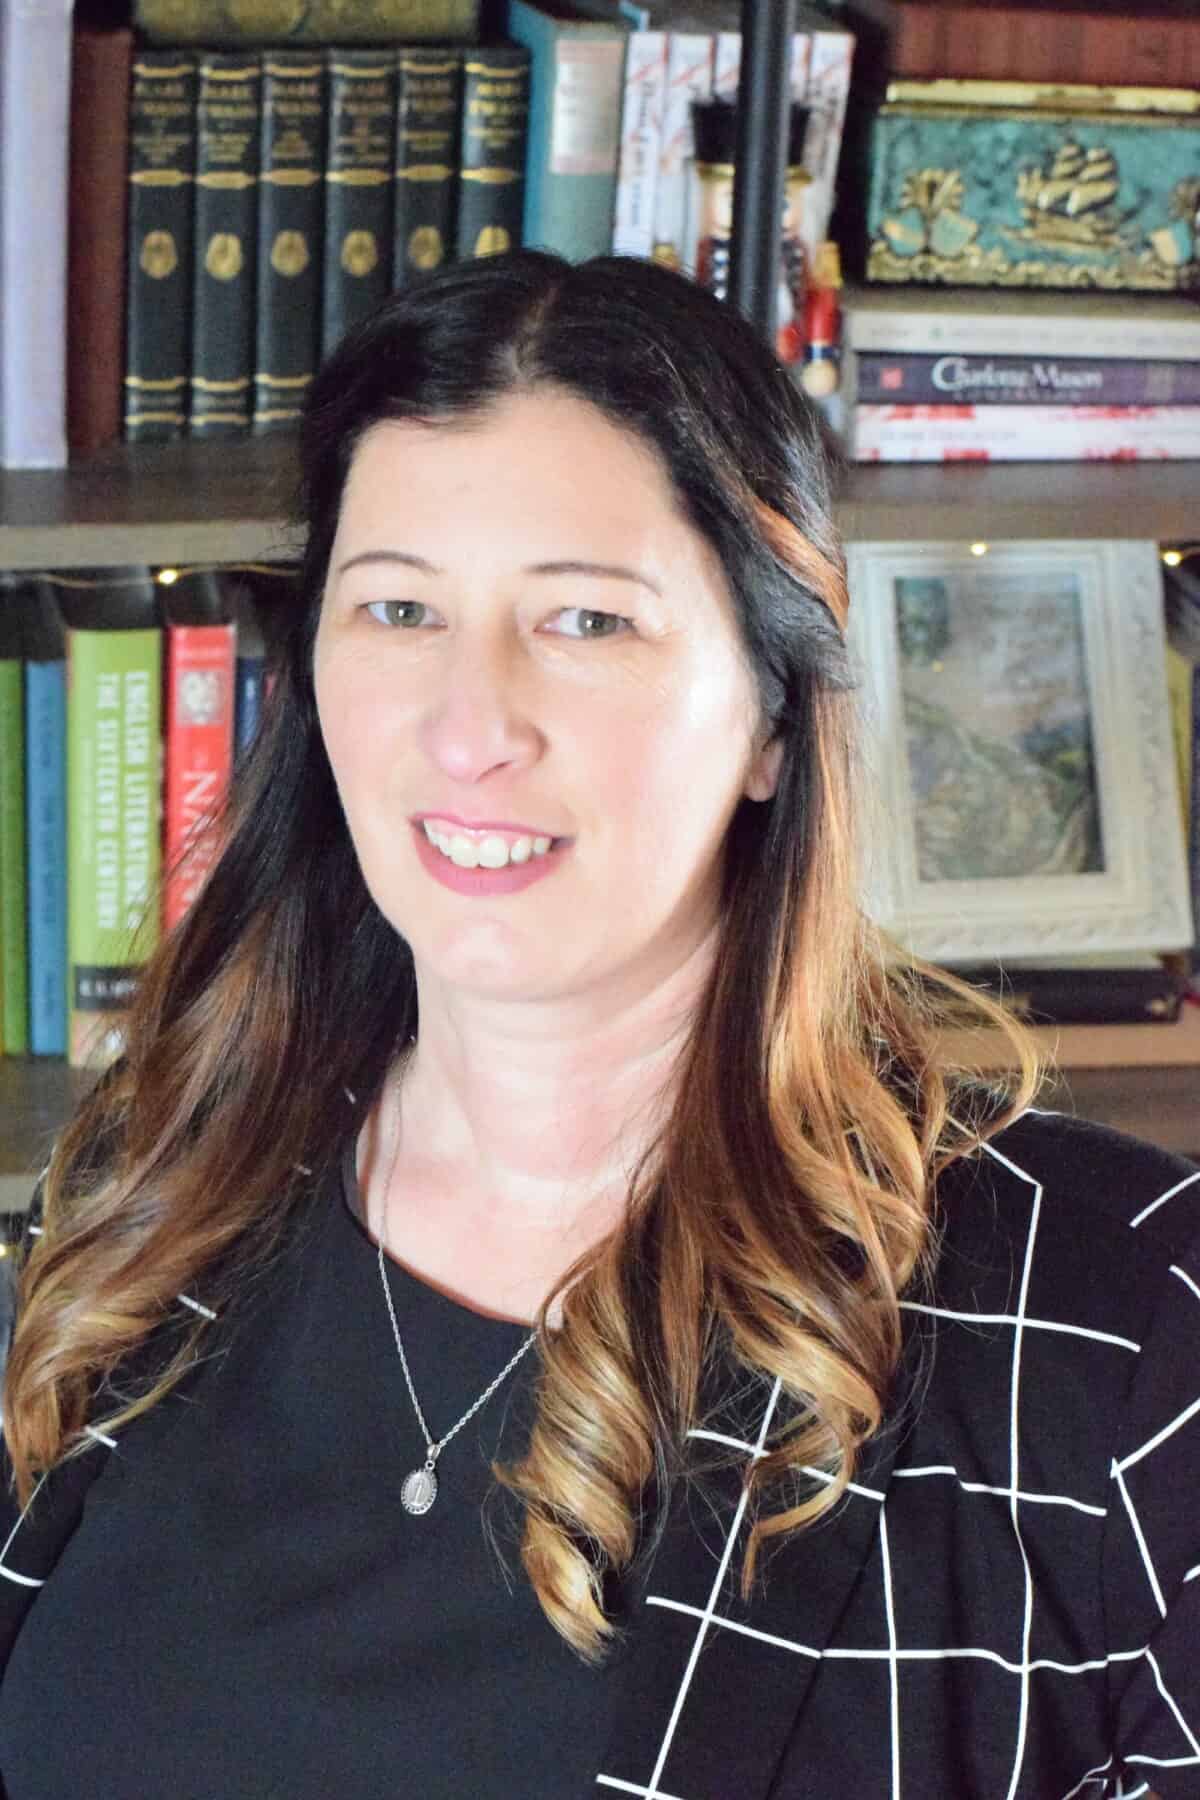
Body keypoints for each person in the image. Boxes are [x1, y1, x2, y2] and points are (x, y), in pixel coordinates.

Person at [0, 251, 1197, 1800]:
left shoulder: (1120, 1327)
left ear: (774, 711)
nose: (470, 725)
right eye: (400, 607)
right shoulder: (152, 1190)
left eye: (584, 621)